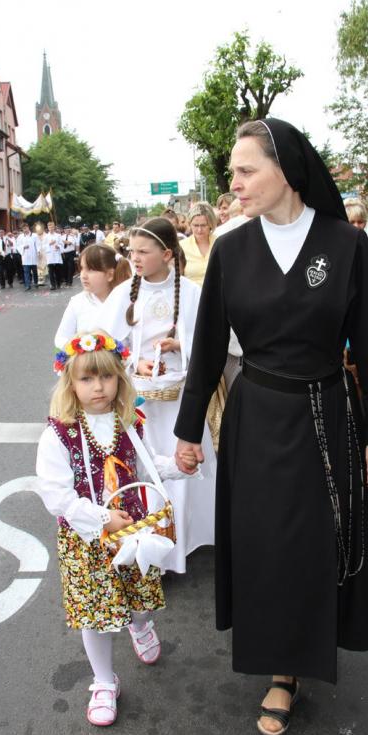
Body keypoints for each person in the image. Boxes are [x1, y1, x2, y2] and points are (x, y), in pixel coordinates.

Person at [174, 118, 368, 735]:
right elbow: (209, 346)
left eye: (246, 170)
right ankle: (282, 669)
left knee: (317, 540)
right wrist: (189, 431)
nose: (235, 184)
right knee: (266, 545)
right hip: (258, 415)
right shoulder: (231, 248)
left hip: (328, 413)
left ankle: (311, 644)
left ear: (286, 170)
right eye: (233, 173)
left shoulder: (343, 244)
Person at [37, 331, 193, 725]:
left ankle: (140, 625)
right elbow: (56, 494)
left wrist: (179, 465)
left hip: (134, 532)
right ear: (70, 383)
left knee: (137, 597)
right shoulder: (59, 433)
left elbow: (146, 468)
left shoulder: (129, 423)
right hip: (87, 539)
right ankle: (104, 680)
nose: (98, 387)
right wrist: (102, 517)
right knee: (95, 614)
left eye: (106, 377)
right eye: (87, 379)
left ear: (119, 380)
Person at [102, 217, 216, 573]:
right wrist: (136, 367)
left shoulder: (192, 292)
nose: (134, 258)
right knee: (148, 467)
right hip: (140, 404)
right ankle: (149, 544)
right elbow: (106, 346)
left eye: (143, 251)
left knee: (182, 463)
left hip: (182, 398)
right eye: (131, 251)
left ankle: (185, 539)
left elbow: (210, 343)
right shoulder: (124, 294)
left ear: (167, 254)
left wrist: (179, 347)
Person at [54, 245, 131, 349]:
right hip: (85, 363)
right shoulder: (78, 302)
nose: (83, 275)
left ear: (110, 275)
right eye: (81, 268)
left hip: (119, 364)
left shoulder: (126, 302)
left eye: (90, 269)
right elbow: (61, 337)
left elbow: (135, 343)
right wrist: (77, 345)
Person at [182, 202, 217, 287]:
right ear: (190, 224)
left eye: (203, 225)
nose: (199, 230)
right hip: (192, 298)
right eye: (195, 225)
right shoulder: (182, 247)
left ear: (211, 225)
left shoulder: (220, 243)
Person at [17, 223, 41, 291]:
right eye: (23, 229)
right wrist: (23, 247)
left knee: (34, 271)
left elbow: (38, 244)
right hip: (25, 256)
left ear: (28, 227)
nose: (25, 230)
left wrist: (38, 251)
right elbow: (18, 246)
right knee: (26, 271)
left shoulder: (34, 235)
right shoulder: (20, 237)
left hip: (33, 256)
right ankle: (28, 285)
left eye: (26, 228)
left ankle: (36, 282)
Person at [46, 221, 64, 290]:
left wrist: (58, 246)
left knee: (57, 271)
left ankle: (58, 283)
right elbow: (43, 246)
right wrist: (49, 244)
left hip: (56, 255)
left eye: (52, 227)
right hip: (50, 255)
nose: (51, 228)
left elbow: (61, 244)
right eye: (49, 227)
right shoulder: (46, 236)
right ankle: (52, 285)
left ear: (54, 227)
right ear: (48, 228)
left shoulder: (58, 235)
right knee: (51, 271)